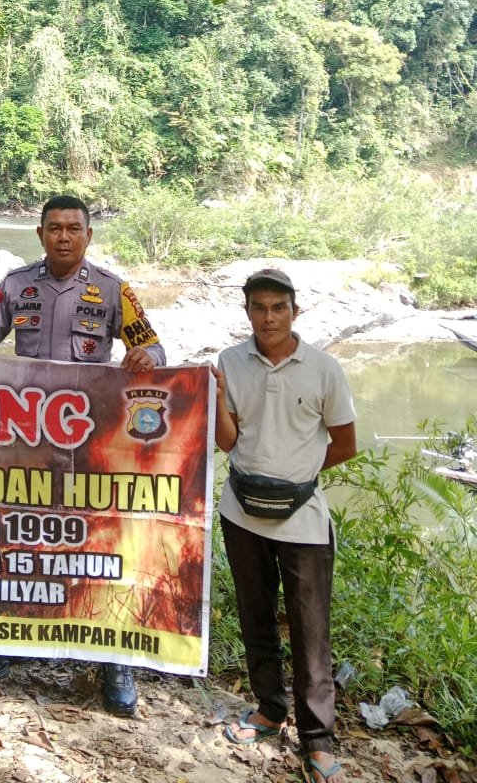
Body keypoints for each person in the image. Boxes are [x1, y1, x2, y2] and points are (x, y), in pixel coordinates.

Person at [0, 193, 167, 717]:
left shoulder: (113, 290)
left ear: (88, 235)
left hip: (90, 443)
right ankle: (7, 639)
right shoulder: (17, 286)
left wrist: (146, 356)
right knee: (21, 535)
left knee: (99, 541)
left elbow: (152, 346)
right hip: (27, 440)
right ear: (40, 234)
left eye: (73, 228)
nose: (63, 236)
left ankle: (113, 661)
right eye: (54, 228)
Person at [213, 267, 357, 783]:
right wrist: (218, 397)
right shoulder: (230, 361)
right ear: (247, 311)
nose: (269, 318)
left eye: (279, 308)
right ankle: (270, 710)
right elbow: (227, 441)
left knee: (310, 630)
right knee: (256, 616)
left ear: (296, 311)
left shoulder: (323, 369)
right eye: (259, 307)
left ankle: (317, 740)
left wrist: (296, 477)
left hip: (303, 521)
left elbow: (345, 443)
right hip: (240, 512)